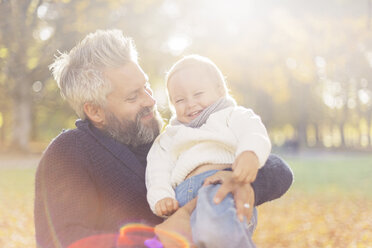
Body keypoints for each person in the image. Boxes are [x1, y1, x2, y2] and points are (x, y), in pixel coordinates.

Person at [34, 29, 293, 248]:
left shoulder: (163, 136)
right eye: (133, 96)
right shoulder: (68, 154)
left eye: (146, 86)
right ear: (95, 110)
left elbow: (279, 171)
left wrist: (233, 179)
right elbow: (62, 241)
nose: (150, 100)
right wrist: (155, 242)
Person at [146, 55, 272, 248]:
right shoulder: (170, 136)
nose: (190, 103)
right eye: (180, 100)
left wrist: (250, 154)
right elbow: (157, 169)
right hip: (180, 199)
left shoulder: (232, 115)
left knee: (218, 234)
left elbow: (253, 132)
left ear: (220, 90)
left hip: (220, 186)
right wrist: (161, 196)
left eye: (198, 94)